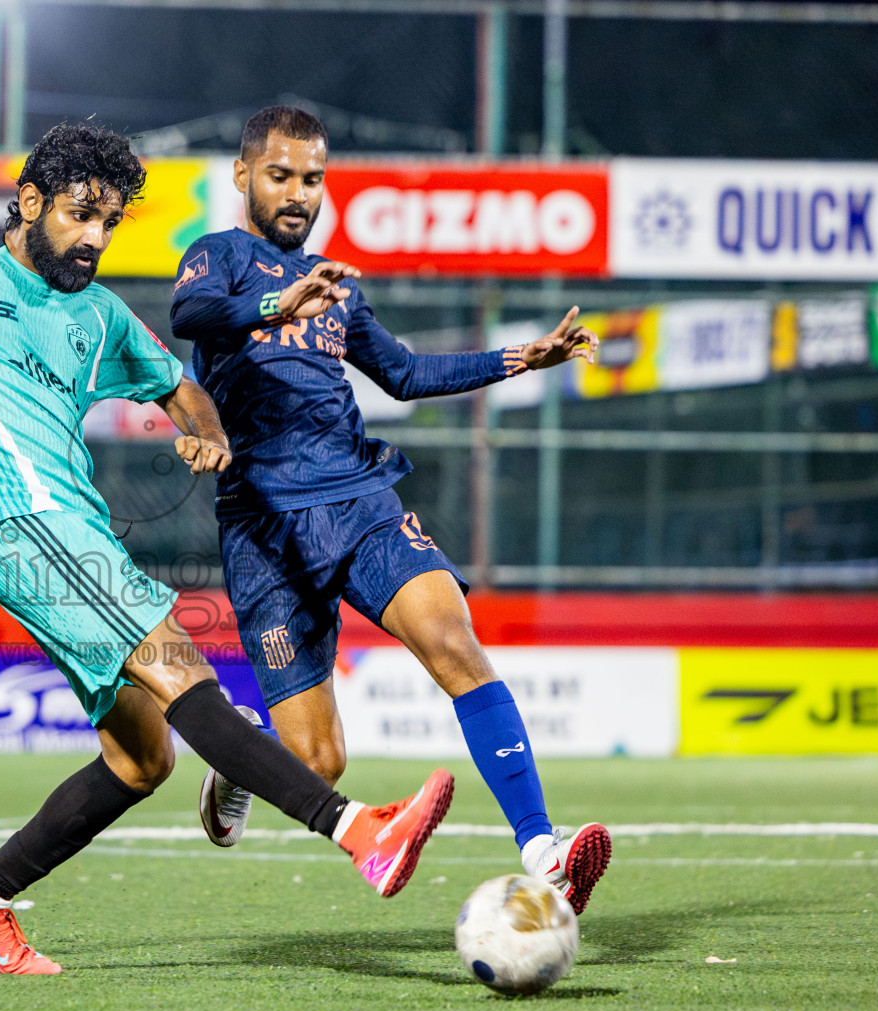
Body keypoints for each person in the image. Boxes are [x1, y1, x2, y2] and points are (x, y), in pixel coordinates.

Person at [0, 123, 455, 975]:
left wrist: (205, 434)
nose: (94, 237)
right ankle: (359, 830)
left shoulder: (99, 316)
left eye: (110, 223)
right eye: (79, 215)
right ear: (28, 203)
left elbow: (185, 387)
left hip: (76, 530)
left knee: (142, 756)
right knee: (182, 671)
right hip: (13, 522)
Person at [169, 105, 612, 914]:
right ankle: (240, 762)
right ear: (243, 177)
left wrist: (524, 358)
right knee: (318, 762)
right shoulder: (219, 256)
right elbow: (190, 318)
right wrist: (277, 306)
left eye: (312, 179)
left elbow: (405, 374)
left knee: (454, 642)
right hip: (265, 529)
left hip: (359, 501)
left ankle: (544, 855)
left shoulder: (338, 286)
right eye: (281, 175)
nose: (299, 193)